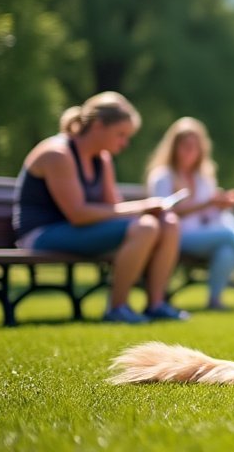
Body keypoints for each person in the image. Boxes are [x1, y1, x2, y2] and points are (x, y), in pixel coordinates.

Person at [12, 92, 188, 323]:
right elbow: (78, 214)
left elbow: (111, 208)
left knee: (169, 223)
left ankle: (156, 304)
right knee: (144, 227)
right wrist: (142, 207)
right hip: (42, 234)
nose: (124, 143)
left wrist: (152, 210)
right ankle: (116, 308)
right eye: (120, 135)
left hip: (78, 231)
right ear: (97, 125)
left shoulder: (102, 159)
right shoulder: (57, 153)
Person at [145, 117, 234, 310]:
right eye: (185, 146)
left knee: (227, 249)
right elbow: (163, 210)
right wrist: (206, 204)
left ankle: (214, 300)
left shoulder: (202, 178)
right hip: (174, 236)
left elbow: (209, 217)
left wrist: (220, 205)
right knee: (228, 234)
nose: (190, 151)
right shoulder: (163, 176)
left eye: (194, 147)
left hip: (203, 235)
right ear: (174, 147)